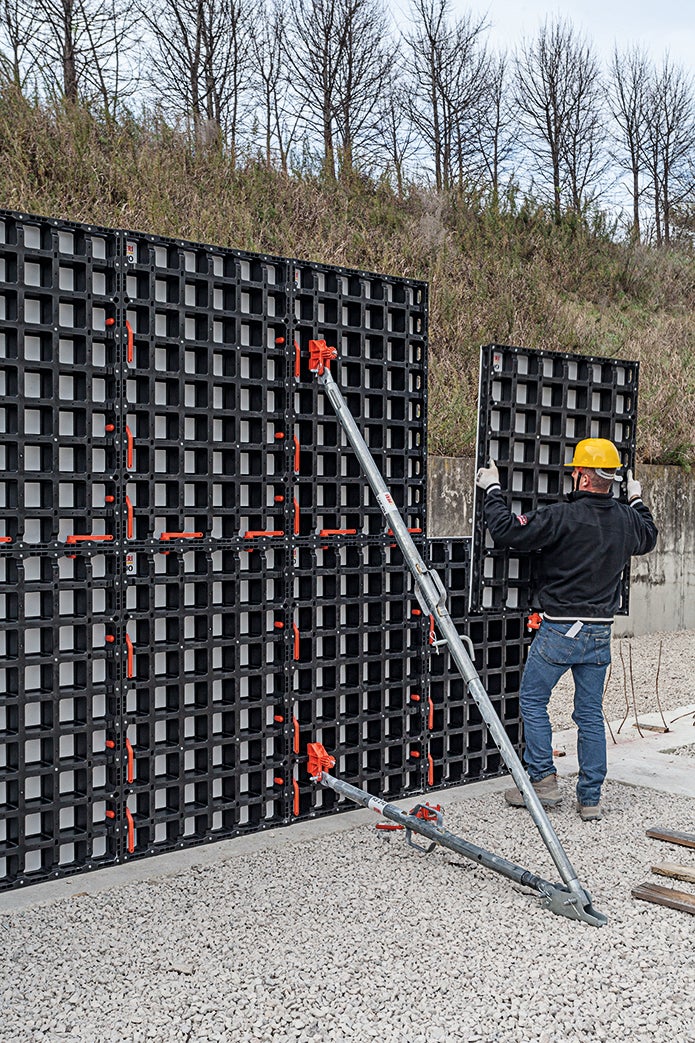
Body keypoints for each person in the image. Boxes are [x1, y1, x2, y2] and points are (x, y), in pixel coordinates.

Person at [476, 438, 658, 821]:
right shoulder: (627, 518)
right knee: (590, 714)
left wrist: (492, 488)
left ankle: (543, 782)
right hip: (600, 632)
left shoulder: (562, 516)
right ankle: (590, 798)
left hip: (561, 629)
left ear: (583, 477)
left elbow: (508, 532)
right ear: (612, 480)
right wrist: (637, 499)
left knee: (532, 699)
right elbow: (649, 535)